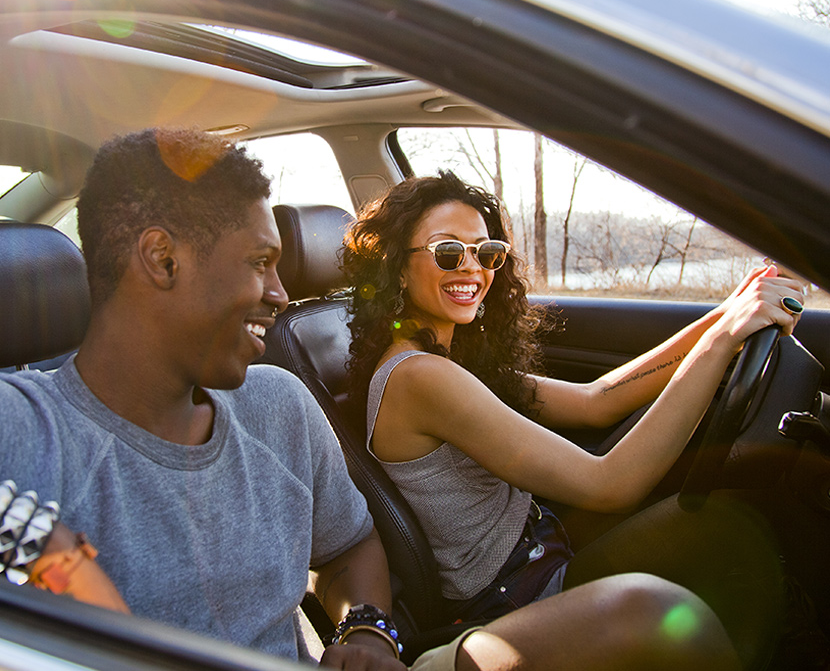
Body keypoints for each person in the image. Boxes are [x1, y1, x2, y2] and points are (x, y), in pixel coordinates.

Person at [0, 130, 741, 671]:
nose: (282, 295)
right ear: (162, 259)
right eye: (260, 264)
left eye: (487, 255)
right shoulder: (27, 429)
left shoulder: (278, 405)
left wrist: (363, 628)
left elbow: (353, 545)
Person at [342, 170, 807, 669]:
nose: (472, 269)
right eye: (449, 252)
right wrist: (721, 343)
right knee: (731, 542)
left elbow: (597, 399)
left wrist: (729, 314)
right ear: (397, 268)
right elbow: (613, 483)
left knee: (733, 529)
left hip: (542, 553)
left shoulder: (451, 361)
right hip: (516, 598)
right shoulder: (420, 377)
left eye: (487, 252)